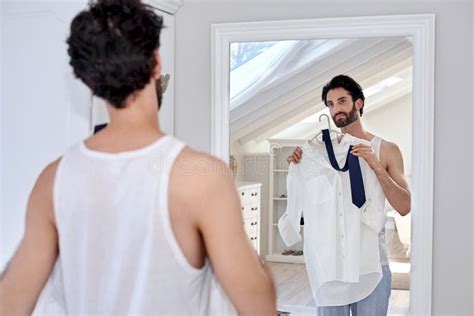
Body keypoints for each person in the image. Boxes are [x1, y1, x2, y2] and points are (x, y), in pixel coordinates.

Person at [0, 1, 276, 314]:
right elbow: (257, 303)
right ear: (156, 63)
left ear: (90, 82)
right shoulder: (201, 176)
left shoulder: (53, 180)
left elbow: (10, 301)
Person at [287, 75, 411, 316]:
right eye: (330, 104)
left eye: (342, 101)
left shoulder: (386, 149)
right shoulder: (317, 153)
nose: (336, 109)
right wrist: (297, 167)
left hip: (372, 266)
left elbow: (405, 206)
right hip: (332, 268)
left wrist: (374, 164)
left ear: (358, 103)